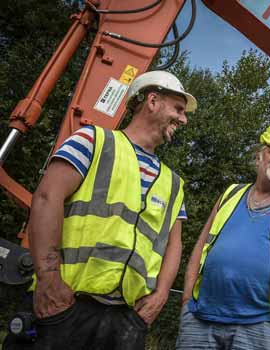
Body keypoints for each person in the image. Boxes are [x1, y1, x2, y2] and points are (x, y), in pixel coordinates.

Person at [25, 70, 196, 350]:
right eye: (178, 108)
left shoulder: (174, 183)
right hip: (67, 304)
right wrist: (47, 279)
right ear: (152, 101)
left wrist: (161, 295)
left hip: (127, 319)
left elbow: (174, 244)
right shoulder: (93, 141)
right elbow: (46, 198)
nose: (183, 118)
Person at [176, 121, 270, 350]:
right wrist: (186, 300)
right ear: (259, 157)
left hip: (264, 326)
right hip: (201, 318)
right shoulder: (231, 193)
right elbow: (201, 247)